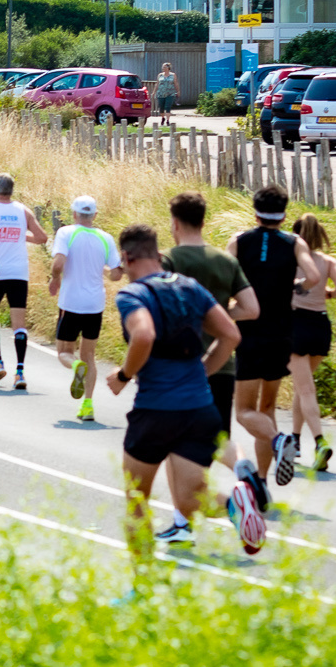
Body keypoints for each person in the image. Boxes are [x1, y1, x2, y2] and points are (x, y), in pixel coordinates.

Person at [105, 223, 258, 557]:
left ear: (127, 258)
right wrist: (203, 371)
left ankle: (142, 590)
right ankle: (235, 506)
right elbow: (231, 335)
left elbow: (143, 335)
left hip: (156, 409)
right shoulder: (191, 288)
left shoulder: (133, 295)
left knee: (136, 500)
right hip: (199, 408)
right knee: (191, 499)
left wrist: (123, 374)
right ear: (159, 255)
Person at [160, 190, 260, 490]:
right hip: (222, 362)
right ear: (203, 222)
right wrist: (217, 314)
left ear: (175, 223)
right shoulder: (224, 261)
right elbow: (251, 309)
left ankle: (184, 517)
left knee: (177, 442)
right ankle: (242, 469)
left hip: (182, 364)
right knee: (217, 438)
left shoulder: (169, 260)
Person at [231, 185, 322, 499]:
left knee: (243, 411)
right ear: (284, 214)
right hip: (282, 331)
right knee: (266, 407)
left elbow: (225, 276)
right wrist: (294, 286)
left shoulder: (239, 241)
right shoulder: (294, 242)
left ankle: (279, 441)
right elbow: (312, 277)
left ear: (255, 211)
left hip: (249, 331)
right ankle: (262, 481)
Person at [286, 214, 336, 475]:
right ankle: (295, 439)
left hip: (296, 324)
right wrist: (329, 294)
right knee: (304, 386)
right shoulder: (327, 261)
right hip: (320, 325)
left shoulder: (292, 260)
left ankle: (319, 442)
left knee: (306, 389)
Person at [48, 196, 122, 422]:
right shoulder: (105, 237)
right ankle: (88, 406)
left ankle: (75, 365)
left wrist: (54, 279)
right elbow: (117, 274)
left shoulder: (66, 233)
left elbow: (59, 263)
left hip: (71, 303)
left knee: (64, 352)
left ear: (74, 214)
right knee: (90, 355)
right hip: (95, 305)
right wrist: (103, 270)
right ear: (95, 216)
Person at [0, 173, 47, 389]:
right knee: (19, 324)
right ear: (11, 190)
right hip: (18, 272)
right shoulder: (23, 211)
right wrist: (20, 236)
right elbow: (42, 238)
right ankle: (20, 372)